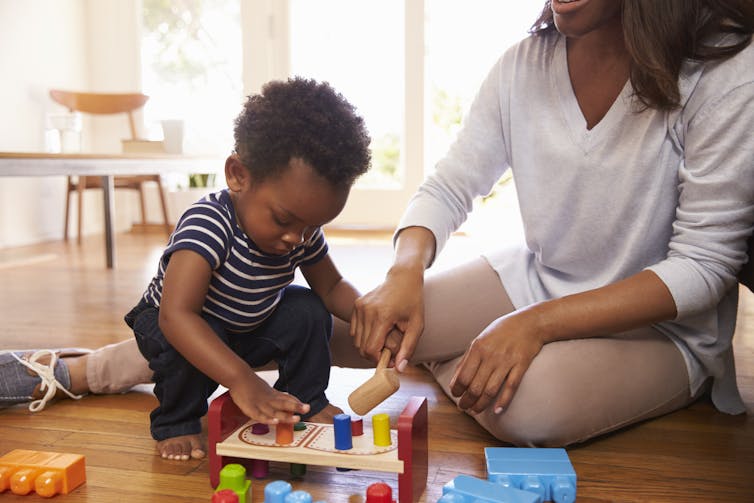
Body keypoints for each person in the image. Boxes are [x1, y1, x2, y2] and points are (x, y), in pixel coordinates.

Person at [3, 0, 753, 449]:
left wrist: (537, 325)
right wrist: (405, 271)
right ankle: (82, 368)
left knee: (522, 404)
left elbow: (706, 265)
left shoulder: (720, 70)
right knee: (342, 328)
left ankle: (513, 360)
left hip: (656, 327)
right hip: (533, 276)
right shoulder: (526, 62)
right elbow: (451, 183)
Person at [0, 76, 372, 461]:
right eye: (283, 220)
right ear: (238, 175)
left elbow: (331, 288)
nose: (298, 237)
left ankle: (305, 399)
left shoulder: (299, 232)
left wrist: (367, 314)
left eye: (312, 225)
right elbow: (176, 317)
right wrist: (242, 380)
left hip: (243, 324)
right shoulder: (208, 224)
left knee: (307, 309)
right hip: (174, 324)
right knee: (193, 337)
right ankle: (175, 422)